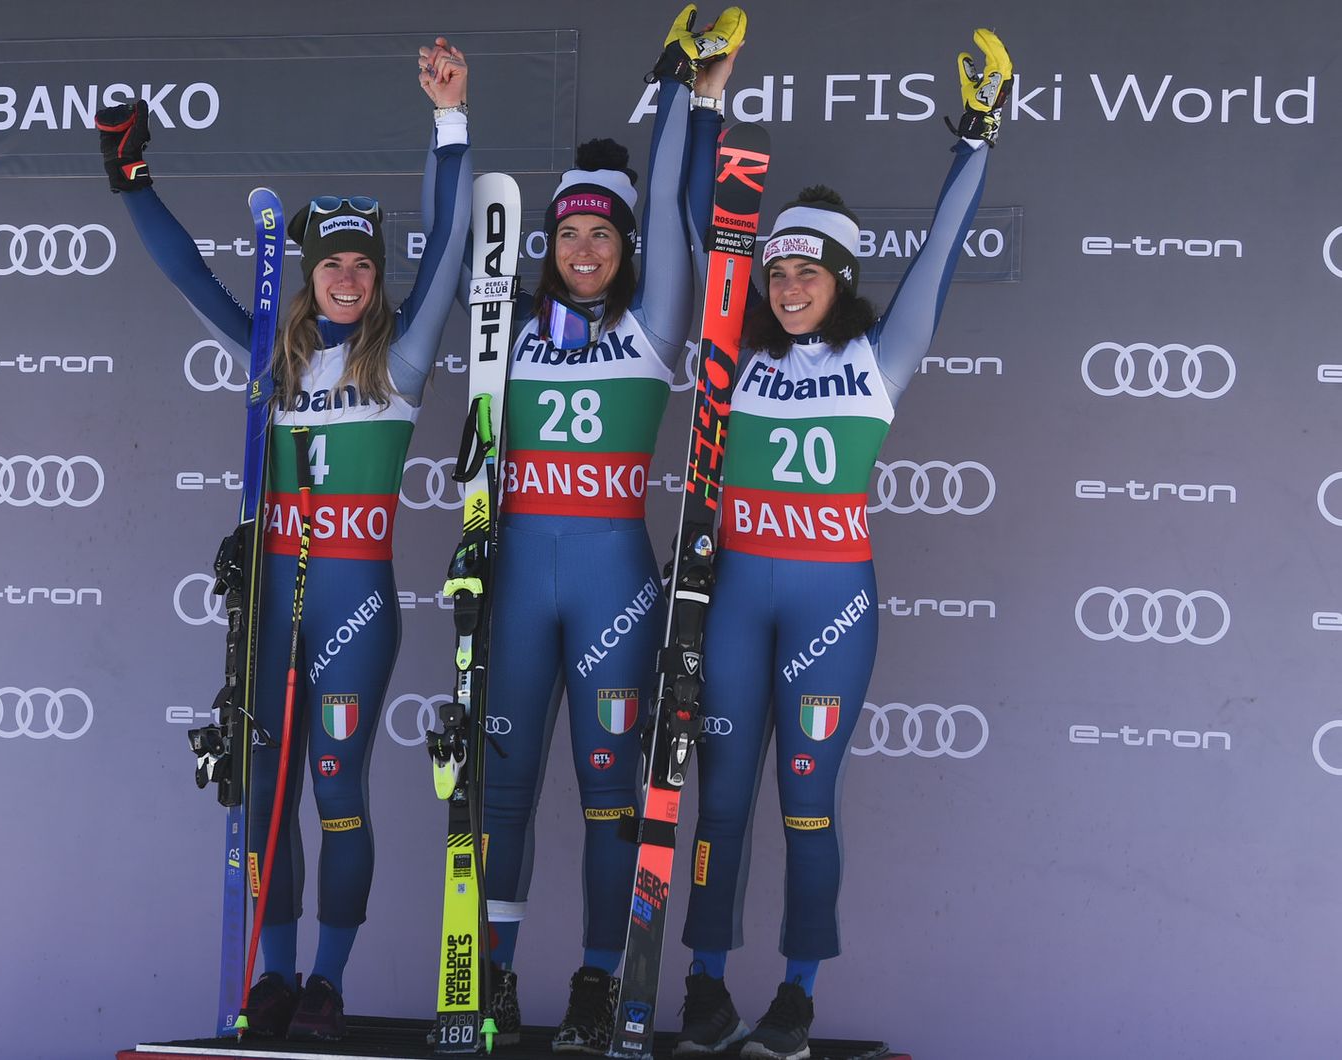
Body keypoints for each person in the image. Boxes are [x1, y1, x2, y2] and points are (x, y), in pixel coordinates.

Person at [92, 38, 473, 1041]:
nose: (348, 276)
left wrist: (449, 122)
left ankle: (328, 980)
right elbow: (186, 275)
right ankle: (272, 972)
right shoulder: (272, 351)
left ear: (379, 277)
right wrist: (131, 182)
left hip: (355, 602)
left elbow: (455, 251)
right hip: (273, 596)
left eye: (363, 263)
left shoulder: (404, 356)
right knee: (261, 791)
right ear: (308, 275)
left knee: (337, 786)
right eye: (332, 262)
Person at [673, 29, 1015, 1060]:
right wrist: (704, 106)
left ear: (840, 274)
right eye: (775, 269)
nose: (785, 284)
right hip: (735, 598)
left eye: (806, 270)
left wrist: (980, 141)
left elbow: (945, 250)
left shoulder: (881, 354)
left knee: (807, 804)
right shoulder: (732, 348)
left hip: (830, 607)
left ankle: (795, 995)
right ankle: (701, 986)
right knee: (721, 802)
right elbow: (703, 228)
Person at [451, 6, 743, 1053]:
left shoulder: (657, 322)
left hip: (616, 577)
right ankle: (492, 969)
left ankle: (594, 979)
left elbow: (673, 202)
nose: (584, 247)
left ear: (622, 247)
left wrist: (686, 95)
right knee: (509, 786)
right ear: (552, 244)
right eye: (569, 232)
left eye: (600, 233)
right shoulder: (515, 332)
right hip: (523, 571)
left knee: (615, 796)